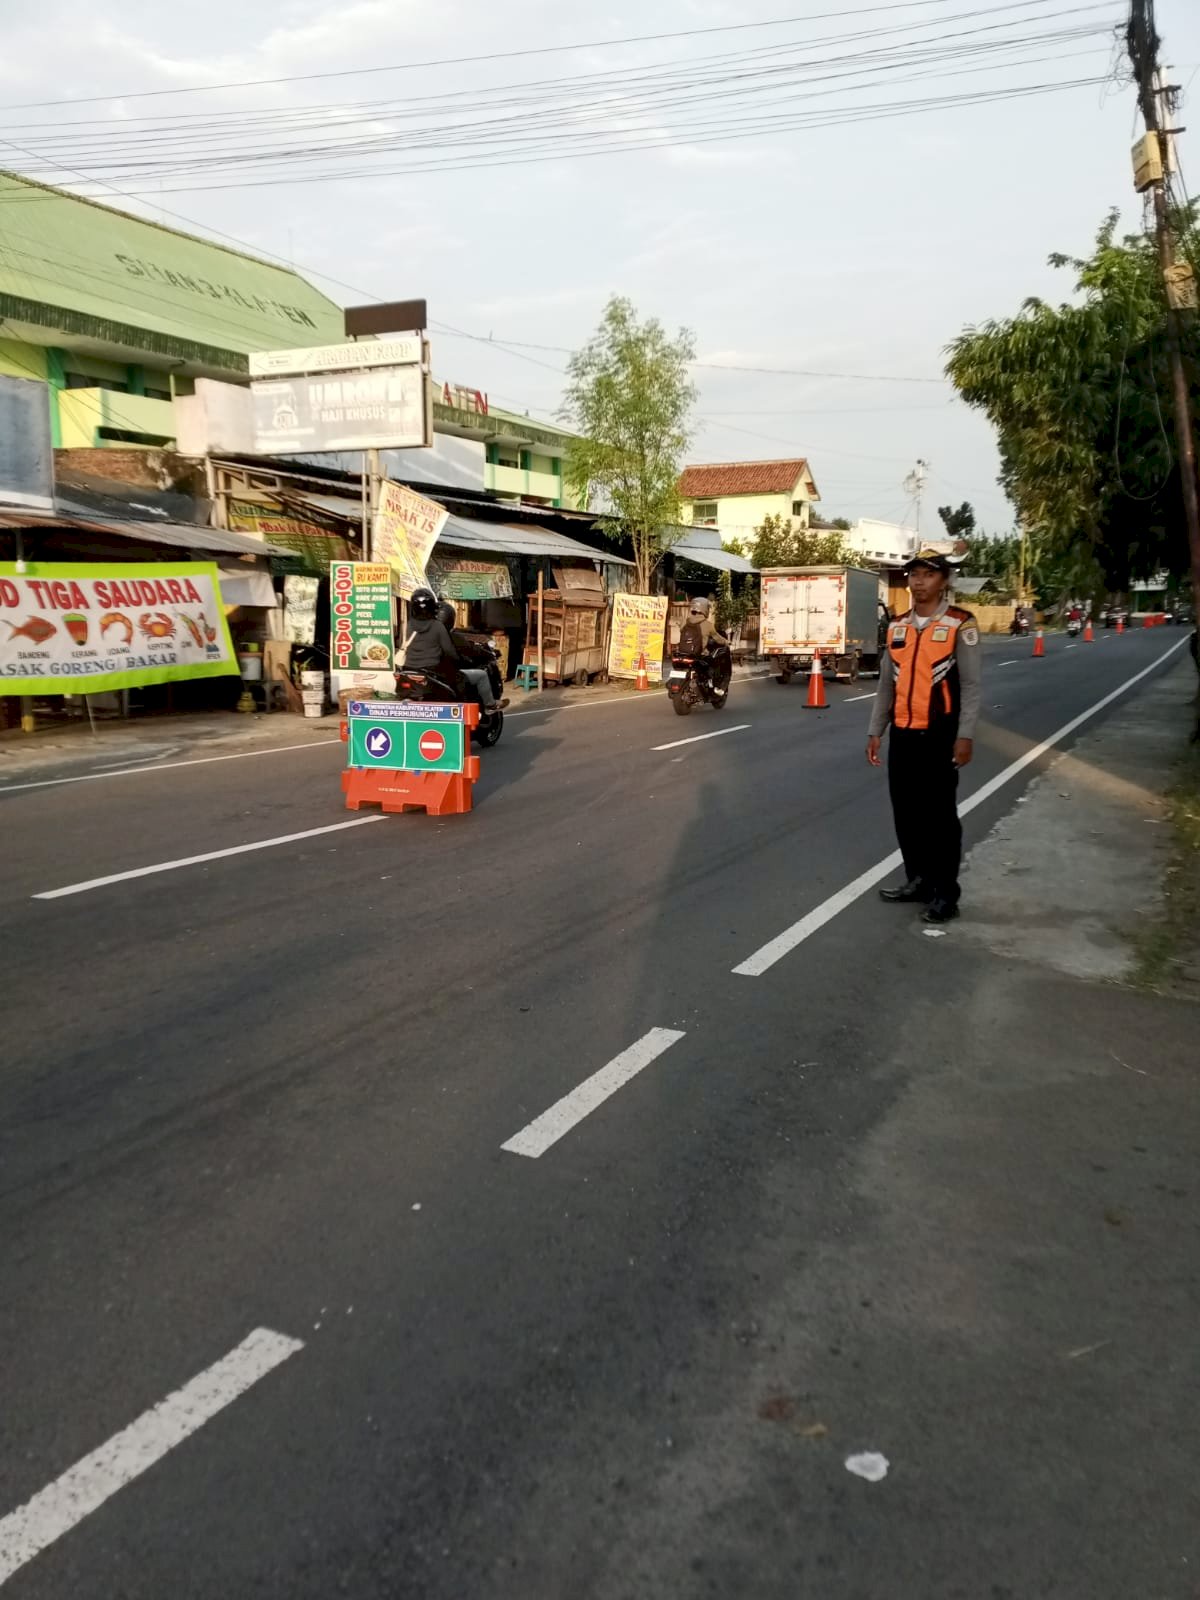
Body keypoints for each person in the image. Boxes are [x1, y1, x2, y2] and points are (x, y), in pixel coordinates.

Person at [866, 550, 982, 924]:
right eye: (914, 574)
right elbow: (886, 685)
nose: (918, 581)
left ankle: (946, 894)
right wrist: (875, 731)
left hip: (940, 737)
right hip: (903, 735)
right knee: (907, 814)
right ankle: (918, 880)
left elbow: (971, 686)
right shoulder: (898, 626)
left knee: (941, 819)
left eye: (928, 575)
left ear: (943, 580)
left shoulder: (960, 624)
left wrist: (964, 736)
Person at [436, 601, 508, 711]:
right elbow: (471, 650)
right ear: (450, 619)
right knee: (481, 675)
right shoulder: (452, 637)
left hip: (430, 673)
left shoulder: (422, 634)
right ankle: (490, 704)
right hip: (447, 675)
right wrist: (485, 653)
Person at [678, 597, 732, 689]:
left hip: (683, 652)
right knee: (712, 664)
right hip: (699, 654)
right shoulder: (708, 625)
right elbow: (717, 638)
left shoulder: (685, 622)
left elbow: (681, 631)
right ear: (705, 609)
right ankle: (710, 685)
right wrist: (726, 642)